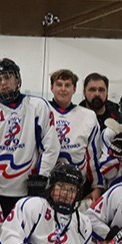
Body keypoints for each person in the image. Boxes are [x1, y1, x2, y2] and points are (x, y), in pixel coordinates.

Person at [0, 58, 60, 216]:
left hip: (27, 188)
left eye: (8, 77)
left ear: (17, 78)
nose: (4, 82)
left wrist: (42, 176)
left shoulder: (38, 106)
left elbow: (51, 145)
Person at [47, 69, 104, 204]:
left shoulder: (88, 116)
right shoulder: (41, 110)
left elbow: (93, 156)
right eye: (59, 84)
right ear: (52, 87)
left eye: (67, 85)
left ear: (74, 89)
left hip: (76, 186)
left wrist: (98, 186)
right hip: (46, 184)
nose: (63, 89)